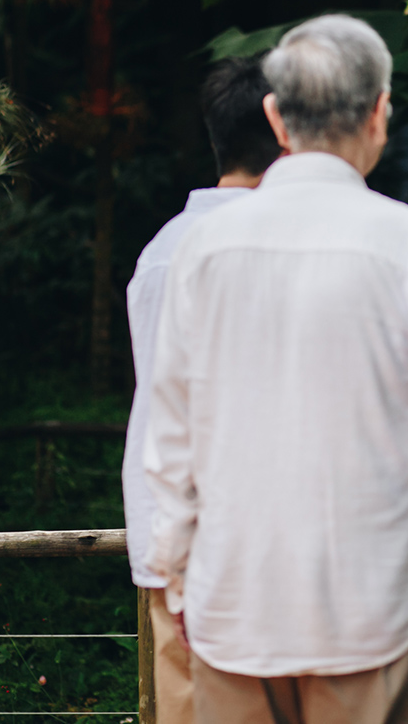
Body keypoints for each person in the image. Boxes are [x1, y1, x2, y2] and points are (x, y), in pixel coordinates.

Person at [142, 15, 408, 724]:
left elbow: (170, 437)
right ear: (379, 112)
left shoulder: (202, 247)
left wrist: (178, 580)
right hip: (373, 608)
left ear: (275, 117)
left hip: (233, 600)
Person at [120, 55, 281, 723]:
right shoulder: (282, 246)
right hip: (264, 538)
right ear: (286, 127)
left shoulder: (164, 248)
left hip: (169, 536)